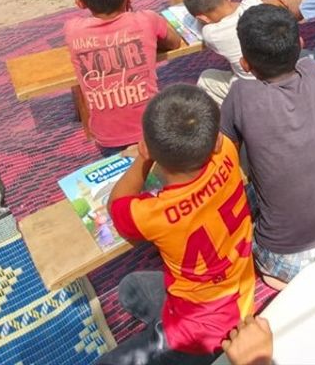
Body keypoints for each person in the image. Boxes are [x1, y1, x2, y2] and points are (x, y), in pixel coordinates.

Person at [99, 84, 255, 364]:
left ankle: (171, 346)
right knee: (130, 287)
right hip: (240, 296)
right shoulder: (228, 151)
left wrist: (143, 158)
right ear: (216, 140)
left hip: (195, 335)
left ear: (150, 149)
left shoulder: (153, 214)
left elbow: (116, 205)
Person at [221, 5, 315, 289]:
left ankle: (290, 286)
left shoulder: (240, 95)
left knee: (247, 199)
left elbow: (226, 155)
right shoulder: (313, 72)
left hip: (283, 255)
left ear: (245, 63)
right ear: (300, 43)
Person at [64, 0, 182, 154]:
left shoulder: (72, 30)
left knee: (122, 181)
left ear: (80, 3)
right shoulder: (147, 20)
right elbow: (174, 42)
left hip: (107, 138)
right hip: (152, 129)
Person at [184, 0, 264, 104]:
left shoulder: (211, 33)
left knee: (206, 78)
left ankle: (231, 114)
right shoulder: (252, 1)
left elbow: (204, 29)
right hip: (278, 75)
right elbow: (242, 4)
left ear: (202, 17)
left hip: (252, 90)